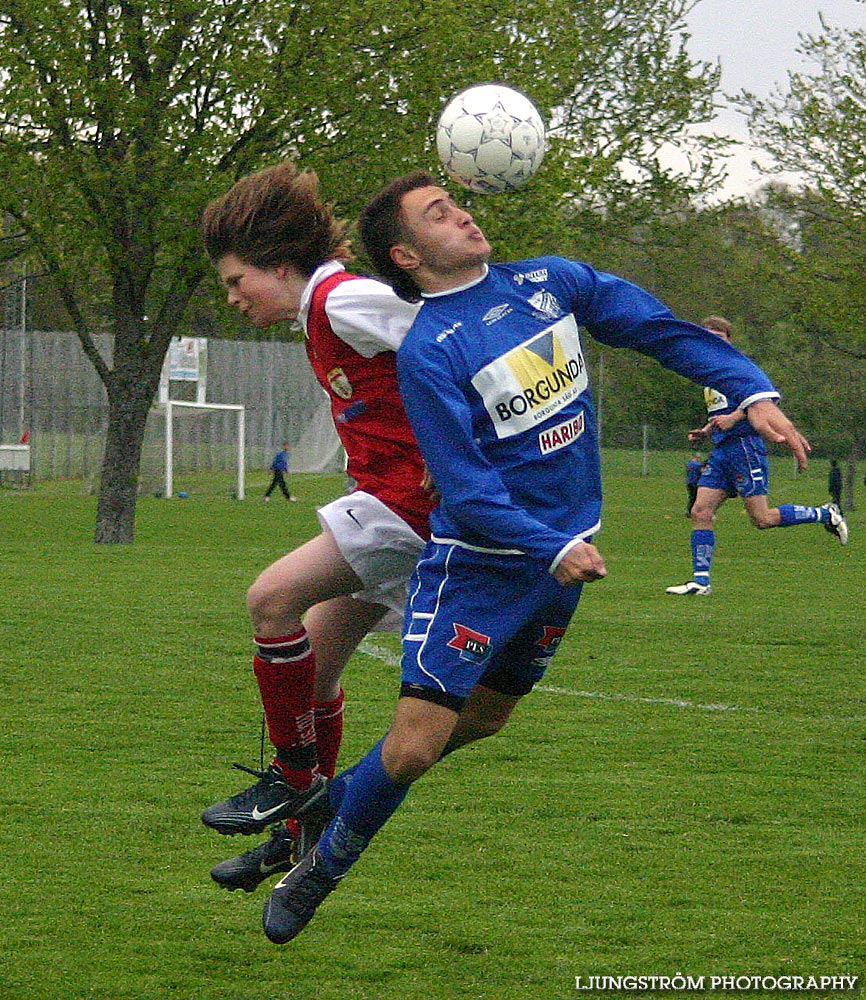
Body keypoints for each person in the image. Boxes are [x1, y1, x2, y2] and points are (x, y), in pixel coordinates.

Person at [259, 171, 814, 945]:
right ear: (407, 255)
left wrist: (749, 389)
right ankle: (319, 868)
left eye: (457, 205)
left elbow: (659, 328)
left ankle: (334, 799)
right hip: (481, 565)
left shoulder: (550, 282)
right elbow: (464, 486)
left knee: (486, 719)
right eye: (437, 216)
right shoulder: (428, 351)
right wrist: (552, 545)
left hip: (561, 558)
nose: (462, 217)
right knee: (417, 746)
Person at [199, 161, 531, 895]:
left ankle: (291, 784)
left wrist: (468, 445)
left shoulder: (343, 299)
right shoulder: (324, 311)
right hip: (399, 507)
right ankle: (299, 839)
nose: (233, 298)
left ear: (280, 265)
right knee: (314, 660)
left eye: (235, 281)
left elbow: (458, 337)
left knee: (271, 600)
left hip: (408, 506)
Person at [665, 315, 848, 597]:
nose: (713, 341)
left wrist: (735, 417)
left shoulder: (739, 366)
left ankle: (825, 513)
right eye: (709, 336)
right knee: (700, 511)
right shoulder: (710, 373)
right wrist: (705, 430)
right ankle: (701, 581)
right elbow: (721, 412)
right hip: (723, 451)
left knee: (762, 519)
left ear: (729, 340)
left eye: (719, 336)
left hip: (745, 449)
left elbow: (762, 398)